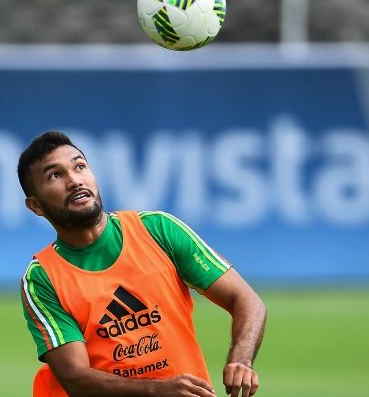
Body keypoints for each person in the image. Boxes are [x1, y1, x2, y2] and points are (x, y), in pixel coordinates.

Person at [17, 132, 267, 397]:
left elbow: (247, 301)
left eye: (80, 166)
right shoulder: (42, 278)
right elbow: (76, 379)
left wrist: (241, 359)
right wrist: (157, 390)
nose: (74, 180)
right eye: (55, 175)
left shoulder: (158, 230)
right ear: (35, 206)